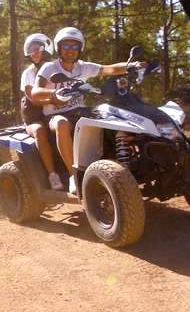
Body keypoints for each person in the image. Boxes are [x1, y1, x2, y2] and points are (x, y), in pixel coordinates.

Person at [31, 27, 145, 195]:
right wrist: (54, 93)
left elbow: (110, 69)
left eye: (74, 46)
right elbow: (35, 92)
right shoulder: (49, 67)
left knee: (112, 116)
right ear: (59, 48)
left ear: (80, 48)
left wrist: (131, 66)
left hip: (80, 112)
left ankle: (120, 166)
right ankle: (73, 175)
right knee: (62, 123)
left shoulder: (84, 67)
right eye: (66, 46)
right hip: (55, 114)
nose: (70, 50)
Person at [20, 33, 62, 191]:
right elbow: (32, 98)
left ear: (45, 49)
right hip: (35, 118)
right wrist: (53, 100)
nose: (34, 53)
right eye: (31, 50)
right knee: (39, 130)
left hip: (55, 113)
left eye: (37, 48)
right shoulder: (28, 73)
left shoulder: (56, 68)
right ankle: (52, 174)